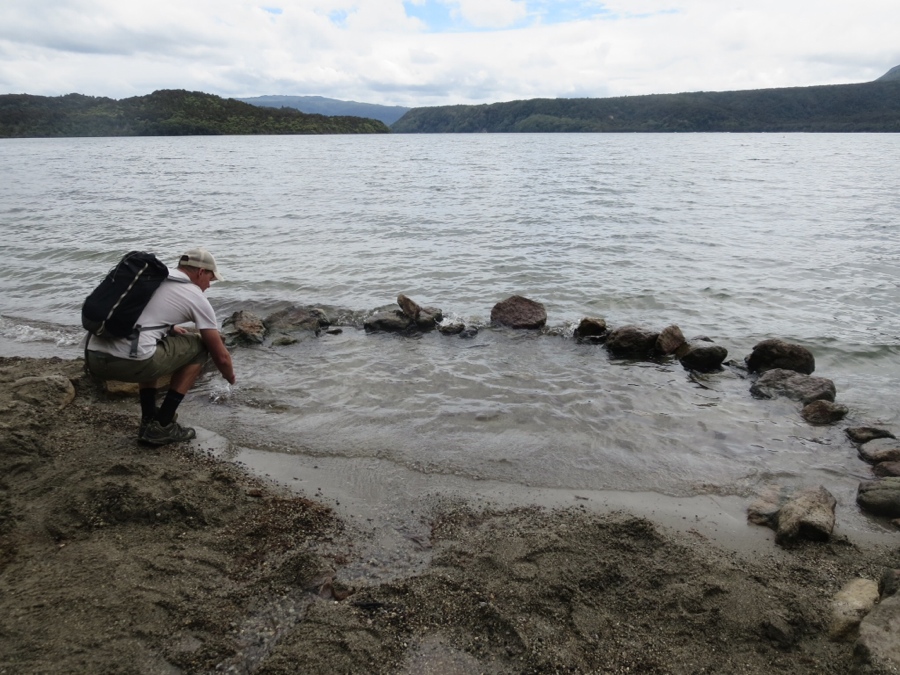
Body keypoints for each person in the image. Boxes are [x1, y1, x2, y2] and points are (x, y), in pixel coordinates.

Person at [85, 247, 236, 445]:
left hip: (93, 358)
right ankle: (163, 424)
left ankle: (149, 420)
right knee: (200, 345)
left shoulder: (151, 279)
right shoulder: (195, 296)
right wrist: (230, 378)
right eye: (211, 279)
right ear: (200, 272)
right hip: (128, 364)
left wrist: (170, 328)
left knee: (153, 343)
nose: (208, 286)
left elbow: (140, 314)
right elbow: (221, 356)